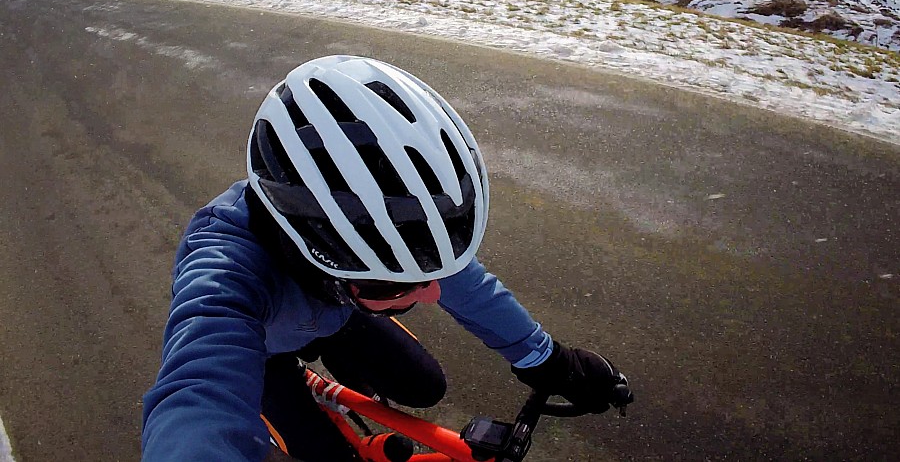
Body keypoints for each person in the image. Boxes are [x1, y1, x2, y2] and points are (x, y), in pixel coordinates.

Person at [142, 55, 632, 461]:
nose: (434, 293)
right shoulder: (224, 268)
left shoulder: (384, 227)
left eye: (430, 273)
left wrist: (547, 359)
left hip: (339, 314)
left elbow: (467, 285)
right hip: (262, 352)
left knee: (424, 388)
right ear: (319, 256)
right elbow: (196, 397)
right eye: (392, 283)